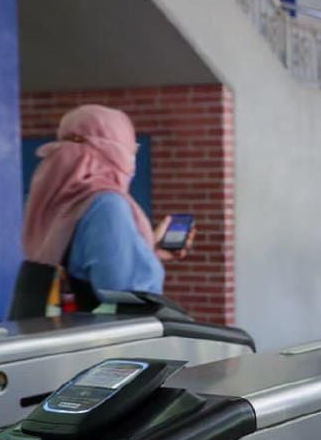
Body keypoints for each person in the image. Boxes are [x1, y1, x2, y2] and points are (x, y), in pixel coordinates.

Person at [22, 105, 193, 307]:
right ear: (115, 151)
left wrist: (144, 252)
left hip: (56, 332)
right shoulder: (106, 204)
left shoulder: (56, 199)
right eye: (131, 149)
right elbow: (127, 293)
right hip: (99, 336)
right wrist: (146, 264)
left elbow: (84, 265)